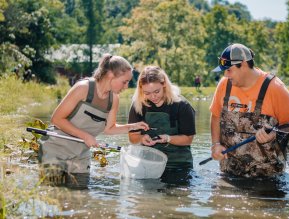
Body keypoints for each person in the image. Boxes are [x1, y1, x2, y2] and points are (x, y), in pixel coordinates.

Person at [39, 54, 149, 188]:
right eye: (124, 81)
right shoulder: (83, 88)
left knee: (81, 198)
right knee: (53, 194)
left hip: (80, 156)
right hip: (55, 149)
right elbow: (56, 119)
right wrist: (85, 136)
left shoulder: (114, 99)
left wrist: (133, 126)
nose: (126, 87)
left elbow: (109, 129)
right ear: (110, 75)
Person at [210, 43, 289, 178]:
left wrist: (274, 134)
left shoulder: (275, 88)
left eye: (229, 70)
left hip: (267, 177)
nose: (225, 74)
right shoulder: (224, 85)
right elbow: (216, 116)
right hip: (229, 174)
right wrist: (215, 144)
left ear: (244, 64)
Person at [128, 66, 196, 184]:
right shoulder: (138, 106)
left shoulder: (182, 105)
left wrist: (168, 138)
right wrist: (141, 138)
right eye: (147, 93)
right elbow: (132, 138)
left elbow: (188, 139)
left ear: (164, 84)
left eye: (156, 91)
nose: (153, 97)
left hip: (178, 163)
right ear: (141, 90)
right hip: (148, 162)